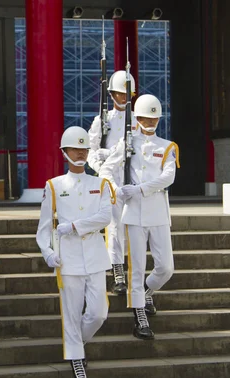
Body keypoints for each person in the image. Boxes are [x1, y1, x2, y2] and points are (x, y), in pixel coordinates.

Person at [36, 126, 115, 378]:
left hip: (94, 255)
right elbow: (43, 229)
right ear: (65, 152)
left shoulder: (101, 184)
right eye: (74, 148)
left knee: (98, 313)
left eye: (84, 148)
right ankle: (79, 370)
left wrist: (74, 226)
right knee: (70, 314)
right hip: (67, 259)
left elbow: (106, 217)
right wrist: (47, 252)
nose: (80, 152)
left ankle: (75, 346)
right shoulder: (54, 186)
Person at [99, 94, 180, 339]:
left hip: (157, 210)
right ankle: (139, 315)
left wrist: (141, 188)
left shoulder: (167, 146)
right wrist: (117, 190)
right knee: (137, 267)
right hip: (133, 212)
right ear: (138, 118)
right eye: (146, 117)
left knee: (166, 267)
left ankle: (145, 292)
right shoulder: (127, 143)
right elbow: (106, 169)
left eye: (154, 118)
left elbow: (169, 177)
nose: (150, 122)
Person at [86, 70, 137, 296]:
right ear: (111, 95)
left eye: (127, 94)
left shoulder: (137, 120)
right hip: (111, 178)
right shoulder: (102, 120)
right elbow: (91, 151)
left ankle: (135, 273)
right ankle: (117, 270)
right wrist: (102, 168)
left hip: (132, 179)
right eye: (119, 94)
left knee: (134, 227)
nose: (124, 98)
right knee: (114, 226)